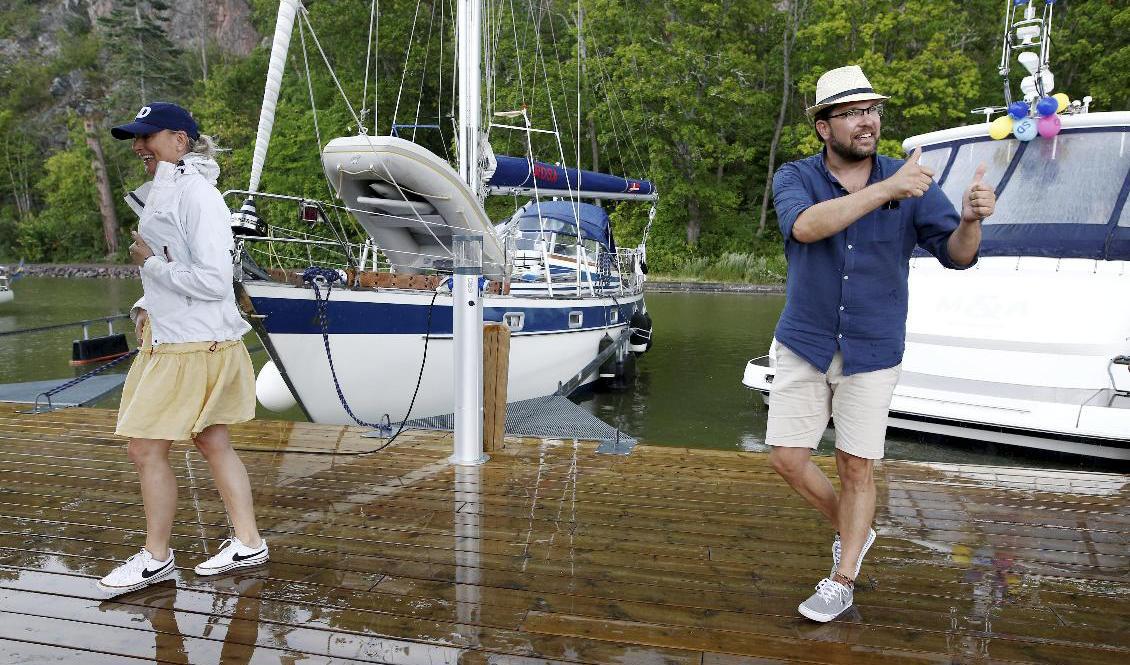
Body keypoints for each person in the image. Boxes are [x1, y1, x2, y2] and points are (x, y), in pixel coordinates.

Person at [767, 66, 995, 622]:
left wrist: (969, 221)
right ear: (824, 127)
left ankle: (842, 577)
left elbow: (958, 254)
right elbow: (806, 228)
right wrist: (886, 191)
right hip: (804, 339)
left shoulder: (912, 181)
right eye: (851, 113)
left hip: (873, 345)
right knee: (789, 458)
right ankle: (856, 530)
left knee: (855, 466)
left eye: (872, 110)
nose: (867, 122)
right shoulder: (795, 177)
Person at [96, 102, 269, 596]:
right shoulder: (169, 192)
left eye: (148, 136)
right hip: (182, 340)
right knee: (212, 441)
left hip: (194, 345)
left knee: (144, 447)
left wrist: (150, 265)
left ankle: (155, 559)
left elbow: (215, 281)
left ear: (181, 141)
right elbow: (184, 272)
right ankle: (249, 542)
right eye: (135, 138)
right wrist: (149, 300)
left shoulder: (198, 197)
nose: (138, 146)